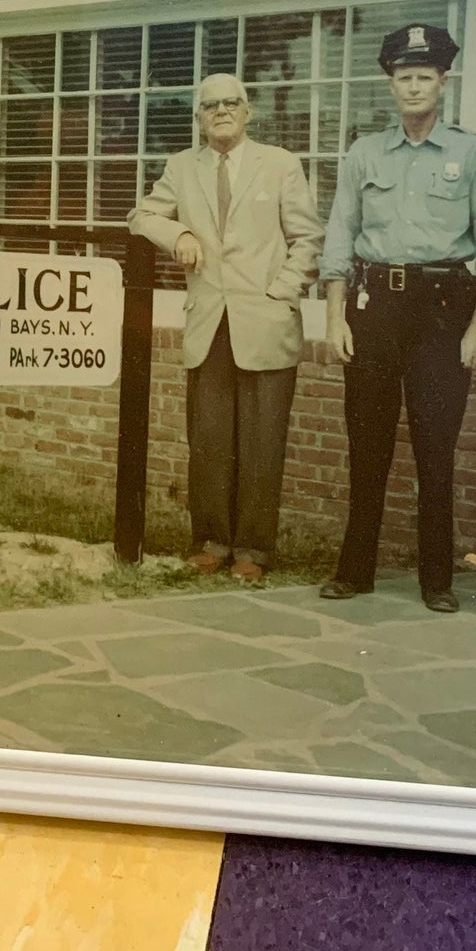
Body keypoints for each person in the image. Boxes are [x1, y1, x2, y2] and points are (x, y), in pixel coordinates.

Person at [319, 22, 476, 612]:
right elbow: (340, 234)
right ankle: (355, 570)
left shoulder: (471, 154)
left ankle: (437, 579)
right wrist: (334, 314)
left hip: (443, 310)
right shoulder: (364, 152)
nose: (414, 87)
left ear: (442, 82)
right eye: (404, 78)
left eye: (425, 76)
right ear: (391, 85)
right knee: (366, 442)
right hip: (373, 306)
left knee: (435, 446)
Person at [128, 74, 323, 582]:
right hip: (208, 321)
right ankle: (211, 542)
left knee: (261, 444)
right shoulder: (181, 167)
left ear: (248, 111)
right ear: (199, 117)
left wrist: (281, 291)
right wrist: (180, 232)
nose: (221, 112)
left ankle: (253, 552)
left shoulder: (279, 164)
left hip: (265, 321)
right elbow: (142, 215)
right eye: (210, 105)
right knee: (210, 440)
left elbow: (307, 238)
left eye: (231, 103)